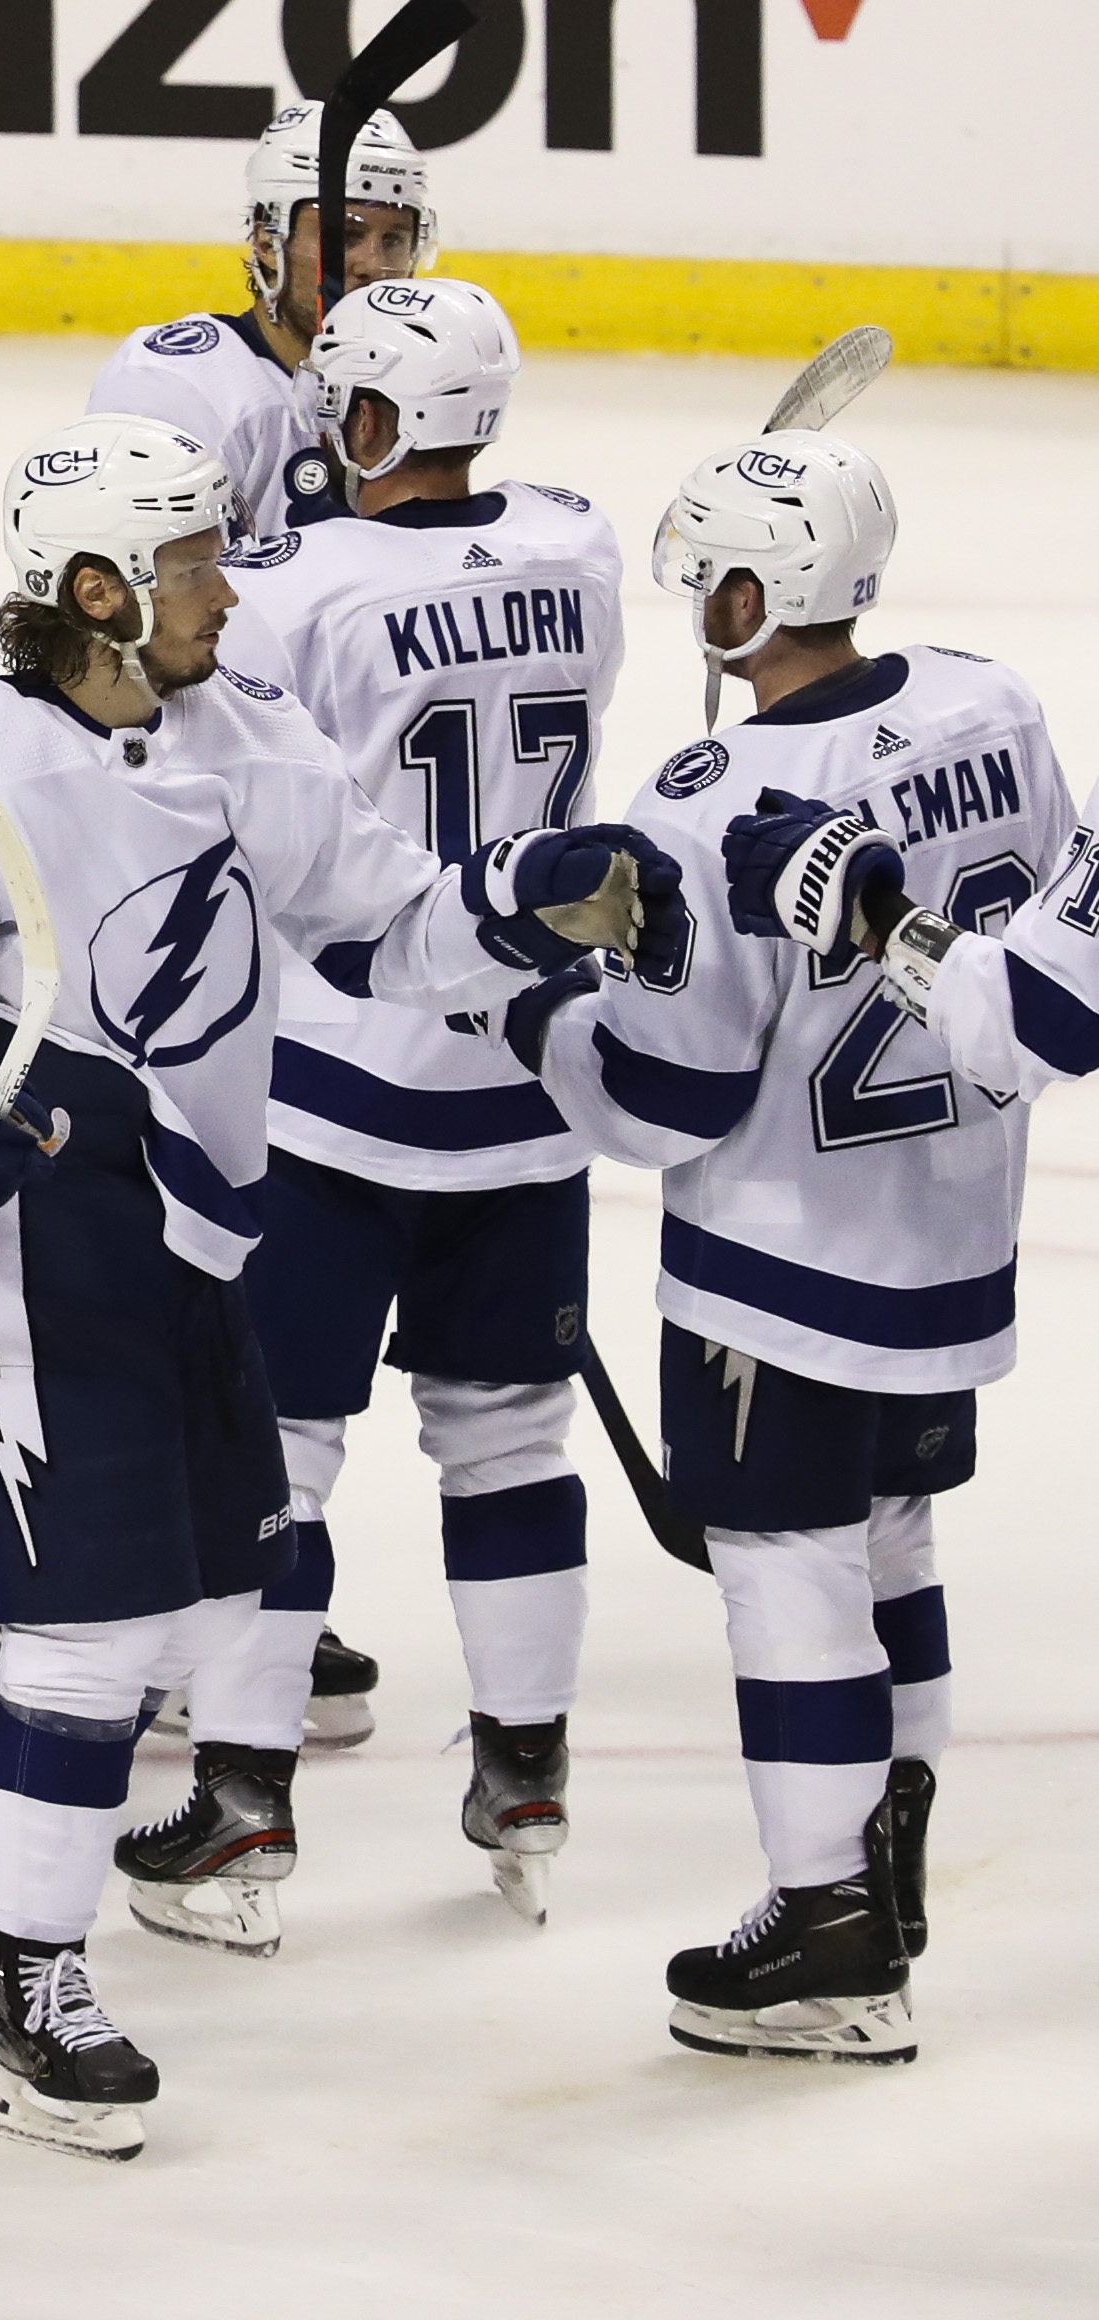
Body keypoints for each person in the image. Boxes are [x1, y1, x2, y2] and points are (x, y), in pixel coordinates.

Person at [0, 412, 669, 2155]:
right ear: (99, 589)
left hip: (206, 1223)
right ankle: (23, 1967)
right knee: (86, 1621)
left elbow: (383, 927)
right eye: (191, 560)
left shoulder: (241, 734)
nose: (225, 581)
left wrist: (518, 897)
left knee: (201, 1600)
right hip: (50, 1240)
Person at [500, 429, 1070, 2064]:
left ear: (754, 589)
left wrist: (550, 1017)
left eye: (713, 575)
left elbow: (668, 1098)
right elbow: (1020, 967)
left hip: (776, 1257)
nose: (696, 598)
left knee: (783, 1571)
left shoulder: (712, 796)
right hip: (949, 1238)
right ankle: (877, 1851)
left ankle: (824, 1924)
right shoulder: (989, 702)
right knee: (891, 1541)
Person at [178, 277, 624, 1923]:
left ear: (361, 421)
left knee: (275, 1450)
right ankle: (522, 1770)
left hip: (334, 1079)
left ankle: (237, 1797)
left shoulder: (289, 595)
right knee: (506, 1438)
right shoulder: (576, 557)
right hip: (526, 1075)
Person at [88, 103, 438, 546]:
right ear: (268, 242)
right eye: (345, 238)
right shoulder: (182, 388)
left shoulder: (412, 389)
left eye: (393, 240)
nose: (373, 265)